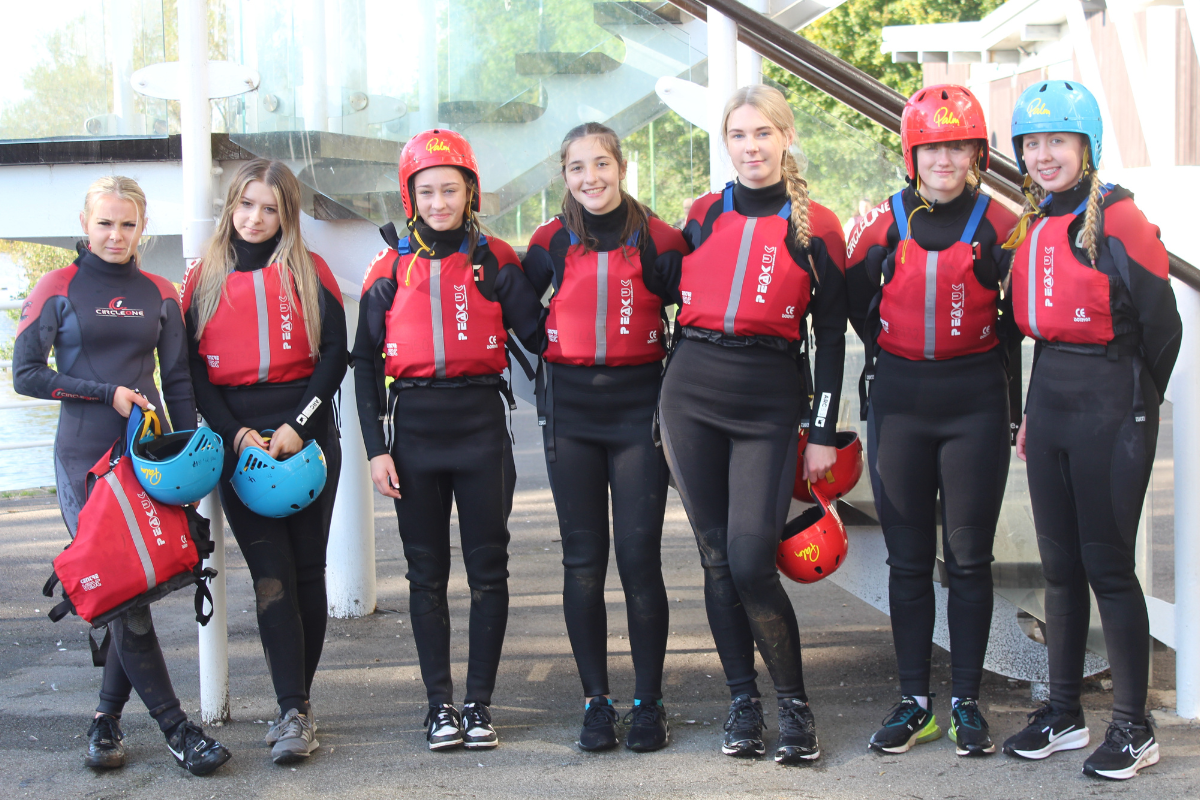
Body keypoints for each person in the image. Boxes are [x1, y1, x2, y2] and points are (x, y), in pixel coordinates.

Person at [13, 176, 231, 776]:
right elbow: (27, 375)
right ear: (85, 225)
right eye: (105, 223)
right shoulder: (59, 288)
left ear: (142, 228)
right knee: (122, 594)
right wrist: (104, 392)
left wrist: (188, 465)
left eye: (127, 224)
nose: (115, 235)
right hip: (84, 462)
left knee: (137, 587)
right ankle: (178, 729)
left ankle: (106, 721)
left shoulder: (159, 292)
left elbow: (179, 381)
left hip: (148, 461)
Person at [657, 85, 848, 765]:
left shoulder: (816, 226)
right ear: (726, 142)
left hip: (770, 399)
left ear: (786, 137)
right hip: (691, 393)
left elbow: (830, 337)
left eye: (763, 133)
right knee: (715, 559)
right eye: (739, 135)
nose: (751, 147)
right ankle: (745, 704)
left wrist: (823, 429)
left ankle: (795, 705)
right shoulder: (702, 215)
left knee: (750, 561)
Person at [999, 80, 1180, 781]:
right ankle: (1065, 711)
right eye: (1032, 143)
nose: (1044, 156)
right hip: (1053, 409)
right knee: (1059, 569)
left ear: (1087, 146)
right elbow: (1037, 334)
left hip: (1113, 408)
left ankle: (1135, 727)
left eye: (1058, 141)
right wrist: (1031, 417)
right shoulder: (1034, 220)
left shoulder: (1123, 221)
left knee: (1107, 567)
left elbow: (1164, 329)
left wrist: (1135, 404)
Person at [352, 129, 544, 752]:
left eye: (450, 190)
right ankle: (439, 706)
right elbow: (361, 365)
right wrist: (376, 449)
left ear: (470, 192)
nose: (440, 202)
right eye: (427, 191)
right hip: (414, 434)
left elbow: (541, 341)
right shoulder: (387, 270)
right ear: (411, 197)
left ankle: (479, 704)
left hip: (482, 429)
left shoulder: (499, 261)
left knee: (490, 568)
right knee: (425, 574)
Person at [844, 84, 1018, 758]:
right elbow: (859, 308)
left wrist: (1013, 408)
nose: (943, 159)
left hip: (974, 405)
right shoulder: (883, 225)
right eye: (931, 147)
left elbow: (1019, 325)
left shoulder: (1003, 226)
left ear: (975, 151)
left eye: (956, 145)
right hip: (901, 406)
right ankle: (915, 701)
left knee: (970, 559)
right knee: (909, 562)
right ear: (911, 152)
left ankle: (967, 703)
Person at [523, 122, 688, 752]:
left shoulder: (660, 238)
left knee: (640, 560)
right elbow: (513, 305)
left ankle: (649, 701)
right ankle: (597, 701)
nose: (590, 178)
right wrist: (544, 343)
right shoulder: (550, 241)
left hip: (637, 413)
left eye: (600, 164)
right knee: (583, 563)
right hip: (571, 415)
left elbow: (693, 312)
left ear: (621, 166)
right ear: (563, 176)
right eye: (576, 168)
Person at [181, 158, 347, 765]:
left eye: (270, 208)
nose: (256, 218)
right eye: (246, 204)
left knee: (308, 572)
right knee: (269, 575)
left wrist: (297, 427)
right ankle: (291, 707)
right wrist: (234, 435)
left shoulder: (311, 269)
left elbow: (335, 356)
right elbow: (192, 370)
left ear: (287, 215)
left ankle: (296, 709)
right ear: (232, 206)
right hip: (240, 445)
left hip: (306, 438)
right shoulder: (203, 276)